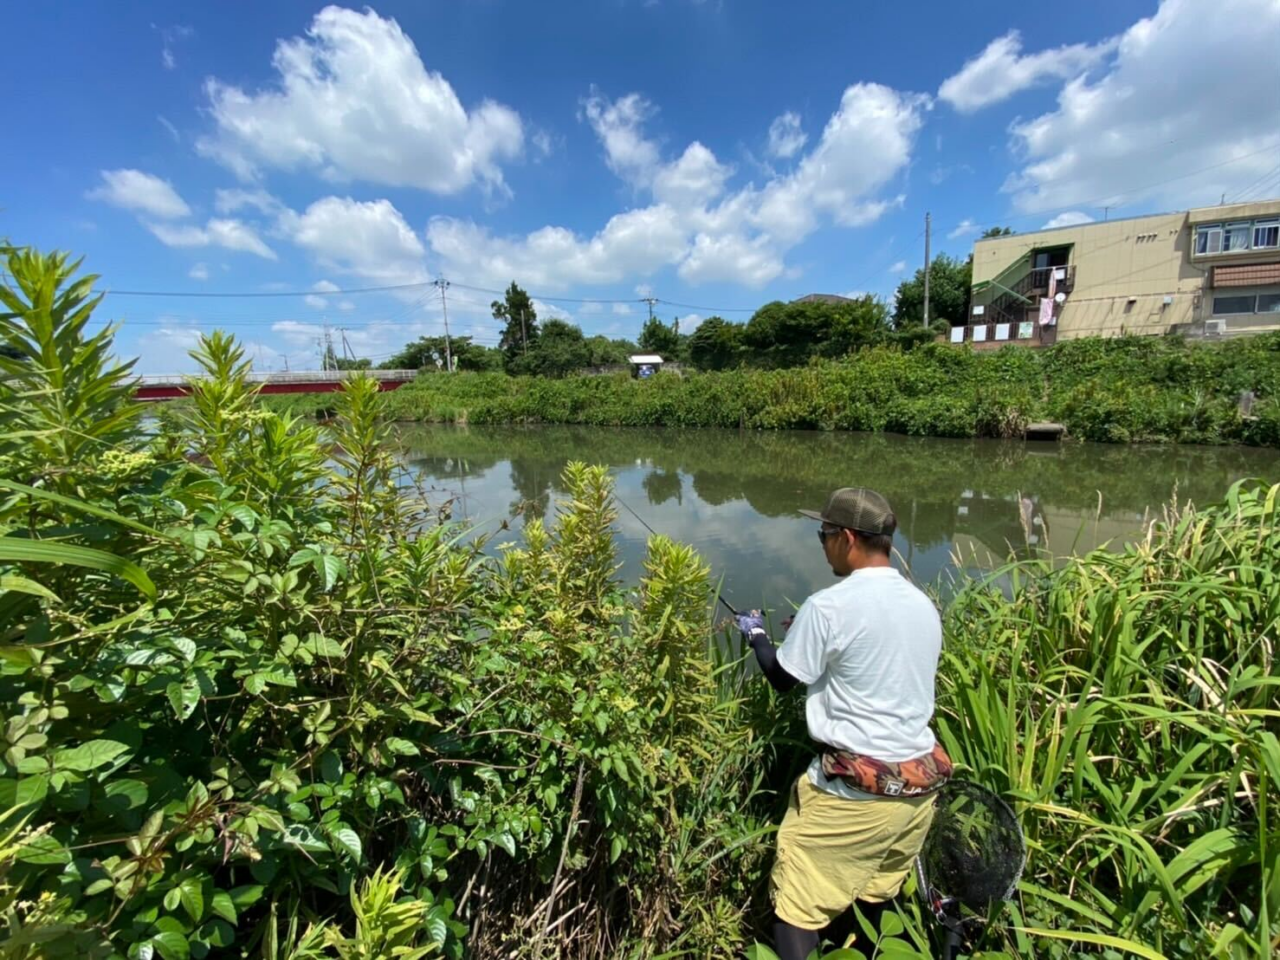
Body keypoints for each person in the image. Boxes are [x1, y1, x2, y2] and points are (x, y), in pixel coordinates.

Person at [736, 487, 951, 960]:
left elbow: (781, 679)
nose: (822, 543)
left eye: (823, 534)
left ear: (848, 538)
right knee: (875, 899)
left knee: (796, 909)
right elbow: (877, 662)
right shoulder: (923, 606)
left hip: (856, 794)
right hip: (917, 792)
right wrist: (810, 634)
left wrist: (756, 636)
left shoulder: (829, 607)